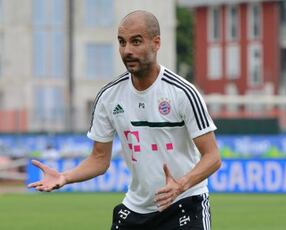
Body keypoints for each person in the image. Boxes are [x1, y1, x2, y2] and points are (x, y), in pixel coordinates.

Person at [28, 10, 221, 230]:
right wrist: (65, 177)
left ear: (156, 43)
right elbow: (99, 159)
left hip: (184, 203)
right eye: (122, 42)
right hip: (136, 209)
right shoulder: (109, 96)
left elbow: (213, 156)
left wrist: (180, 185)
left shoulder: (183, 92)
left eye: (136, 41)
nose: (127, 50)